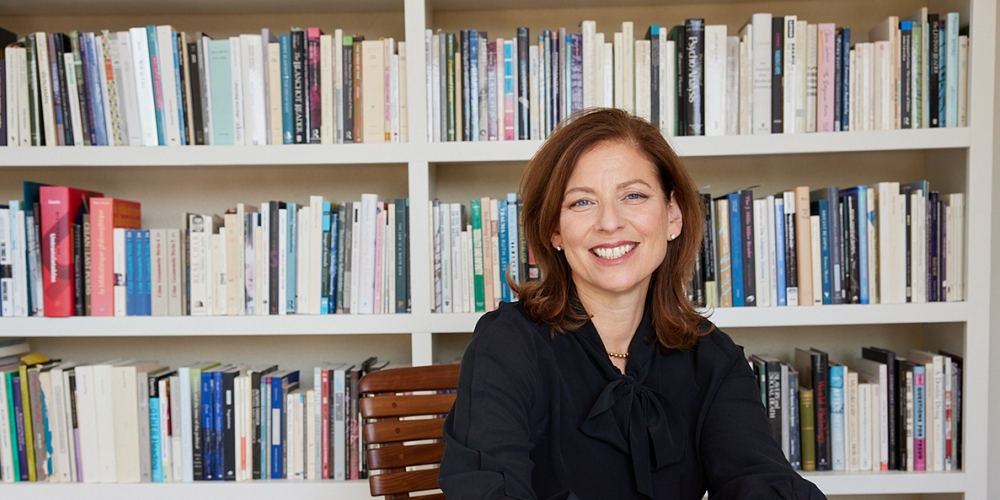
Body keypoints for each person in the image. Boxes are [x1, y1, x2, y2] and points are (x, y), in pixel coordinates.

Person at [438, 108, 827, 500]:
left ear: (672, 215)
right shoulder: (506, 345)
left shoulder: (712, 358)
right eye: (581, 202)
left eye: (634, 195)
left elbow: (763, 481)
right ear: (554, 229)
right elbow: (485, 490)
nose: (610, 222)